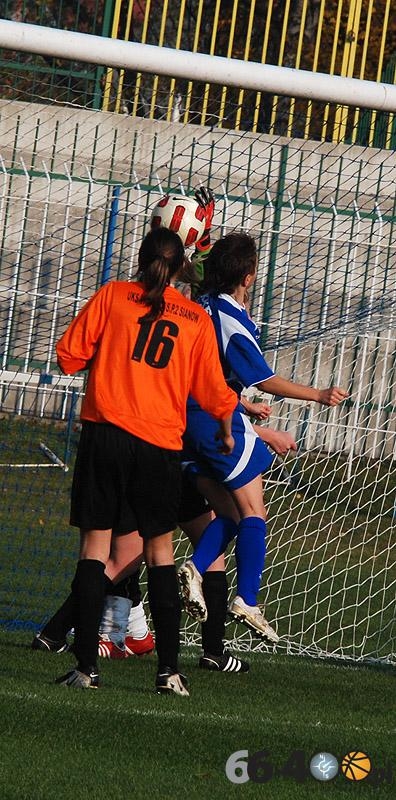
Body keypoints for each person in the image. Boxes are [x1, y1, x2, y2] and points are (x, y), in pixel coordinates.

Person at [52, 226, 238, 696]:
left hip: (106, 435)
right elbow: (215, 392)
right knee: (159, 552)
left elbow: (68, 358)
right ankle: (169, 671)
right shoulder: (194, 318)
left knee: (95, 547)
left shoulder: (113, 296)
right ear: (180, 268)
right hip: (158, 445)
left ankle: (86, 669)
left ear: (139, 259)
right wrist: (225, 423)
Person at [178, 232, 349, 639]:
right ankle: (247, 600)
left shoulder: (199, 302)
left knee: (234, 515)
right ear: (250, 277)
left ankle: (194, 567)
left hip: (186, 421)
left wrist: (243, 406)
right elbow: (266, 380)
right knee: (254, 513)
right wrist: (318, 395)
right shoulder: (230, 318)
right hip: (214, 420)